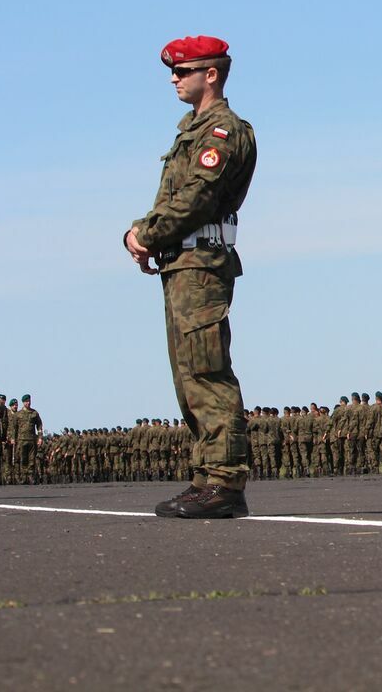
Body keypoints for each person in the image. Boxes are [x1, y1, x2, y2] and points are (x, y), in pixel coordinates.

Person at [124, 35, 257, 518]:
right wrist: (150, 238)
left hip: (202, 265)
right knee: (187, 377)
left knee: (206, 370)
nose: (174, 79)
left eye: (183, 71)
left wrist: (146, 233)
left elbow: (198, 198)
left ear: (212, 75)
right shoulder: (192, 131)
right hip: (182, 264)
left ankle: (224, 483)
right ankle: (205, 478)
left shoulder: (221, 132)